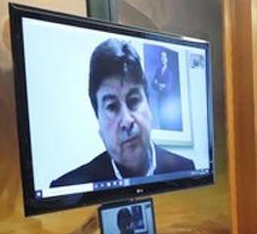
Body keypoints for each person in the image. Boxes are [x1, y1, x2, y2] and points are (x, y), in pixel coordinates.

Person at [50, 39, 193, 187]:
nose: (127, 121)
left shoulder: (186, 170)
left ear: (149, 106)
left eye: (134, 101)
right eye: (112, 107)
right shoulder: (69, 189)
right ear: (98, 121)